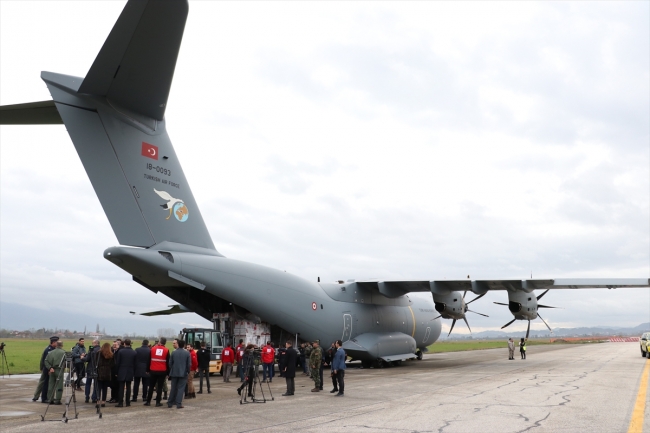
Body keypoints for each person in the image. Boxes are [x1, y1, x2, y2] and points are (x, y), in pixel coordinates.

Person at [145, 337, 170, 407]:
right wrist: (168, 373)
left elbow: (149, 360)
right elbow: (168, 362)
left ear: (159, 342)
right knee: (160, 387)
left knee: (151, 386)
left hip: (153, 370)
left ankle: (148, 401)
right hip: (162, 371)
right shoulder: (166, 350)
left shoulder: (153, 349)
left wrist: (147, 370)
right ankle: (158, 402)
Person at [32, 336, 58, 403]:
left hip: (46, 368)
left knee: (42, 382)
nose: (57, 343)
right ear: (53, 342)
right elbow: (46, 361)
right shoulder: (49, 350)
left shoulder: (50, 349)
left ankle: (36, 396)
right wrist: (49, 369)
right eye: (56, 342)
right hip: (47, 369)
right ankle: (44, 398)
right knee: (46, 384)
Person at [168, 339, 191, 409]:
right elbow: (189, 364)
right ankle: (178, 403)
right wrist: (188, 371)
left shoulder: (173, 352)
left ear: (178, 344)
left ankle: (170, 403)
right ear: (184, 345)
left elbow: (170, 363)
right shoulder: (187, 353)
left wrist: (172, 369)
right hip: (183, 373)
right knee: (181, 389)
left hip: (174, 372)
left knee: (173, 388)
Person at [115, 338, 136, 407]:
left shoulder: (121, 351)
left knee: (121, 387)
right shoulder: (134, 352)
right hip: (130, 370)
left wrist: (116, 372)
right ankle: (128, 402)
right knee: (128, 387)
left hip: (121, 370)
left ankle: (120, 402)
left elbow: (118, 362)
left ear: (124, 344)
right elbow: (135, 363)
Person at [44, 340, 66, 405]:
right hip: (59, 370)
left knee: (51, 385)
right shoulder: (64, 353)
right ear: (62, 345)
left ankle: (50, 399)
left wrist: (50, 368)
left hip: (52, 370)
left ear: (56, 345)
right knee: (59, 385)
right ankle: (58, 399)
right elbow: (67, 362)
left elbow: (46, 361)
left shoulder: (51, 352)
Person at [96, 342, 115, 408]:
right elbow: (113, 364)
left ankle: (98, 401)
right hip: (107, 372)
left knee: (98, 388)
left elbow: (96, 362)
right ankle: (103, 401)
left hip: (100, 372)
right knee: (105, 388)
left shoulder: (98, 353)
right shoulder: (111, 354)